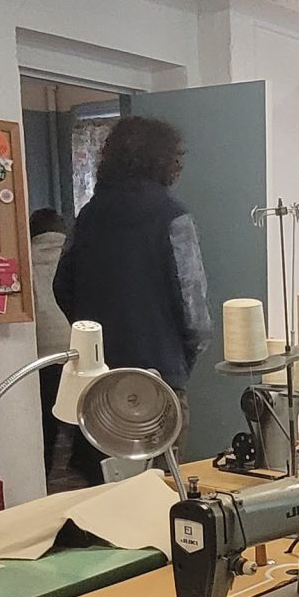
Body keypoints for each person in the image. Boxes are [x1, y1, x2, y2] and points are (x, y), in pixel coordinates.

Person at [52, 117, 209, 483]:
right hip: (158, 380)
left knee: (102, 492)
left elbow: (62, 285)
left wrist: (93, 337)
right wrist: (179, 361)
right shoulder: (173, 216)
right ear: (164, 160)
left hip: (99, 381)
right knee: (157, 491)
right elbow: (195, 308)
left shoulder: (88, 216)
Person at [28, 208, 77, 478]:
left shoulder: (26, 257)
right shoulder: (73, 254)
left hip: (41, 352)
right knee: (79, 415)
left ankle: (43, 475)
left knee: (46, 422)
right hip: (76, 347)